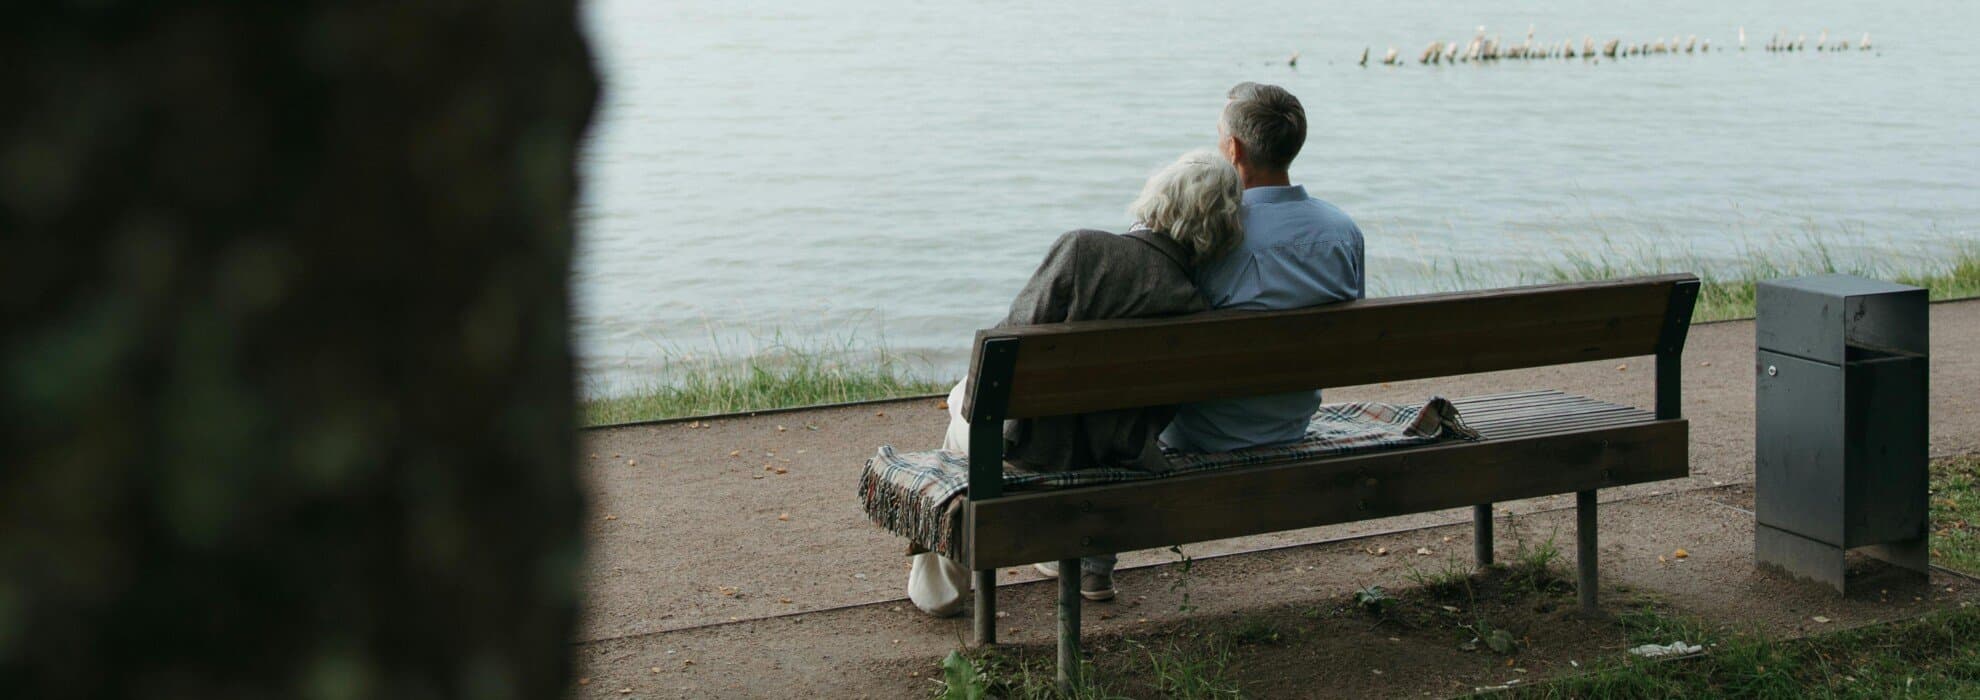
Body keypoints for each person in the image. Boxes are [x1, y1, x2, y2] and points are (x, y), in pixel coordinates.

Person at [909, 150, 1246, 617]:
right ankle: (1088, 564)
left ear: (1157, 199)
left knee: (965, 403)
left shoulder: (1084, 249)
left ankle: (941, 591)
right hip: (1112, 458)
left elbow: (1007, 341)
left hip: (1022, 449)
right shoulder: (1193, 306)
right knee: (1089, 421)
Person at [1160, 82, 1367, 454]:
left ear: (1234, 150)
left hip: (1199, 433)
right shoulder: (1343, 232)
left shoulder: (1208, 233)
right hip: (1291, 423)